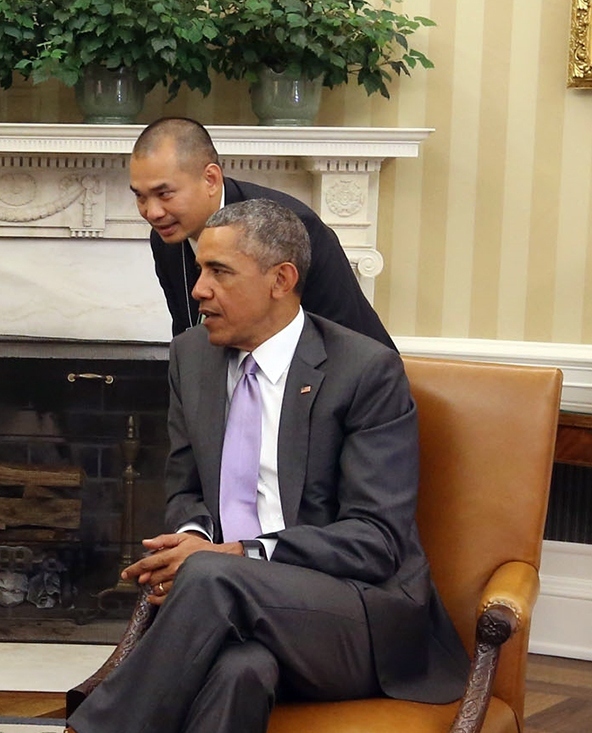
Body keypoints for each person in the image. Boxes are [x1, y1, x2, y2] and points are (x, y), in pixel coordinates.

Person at [66, 200, 468, 733]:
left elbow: (375, 541)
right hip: (234, 610)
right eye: (200, 268)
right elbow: (186, 490)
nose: (198, 290)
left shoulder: (364, 371)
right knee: (241, 671)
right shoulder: (193, 357)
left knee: (212, 576)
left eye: (220, 272)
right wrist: (189, 537)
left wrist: (237, 554)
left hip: (358, 616)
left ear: (281, 280)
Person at [131, 116, 395, 349]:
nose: (152, 212)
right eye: (140, 197)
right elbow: (189, 334)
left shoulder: (290, 228)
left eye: (164, 194)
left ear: (210, 179)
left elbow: (350, 343)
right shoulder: (166, 237)